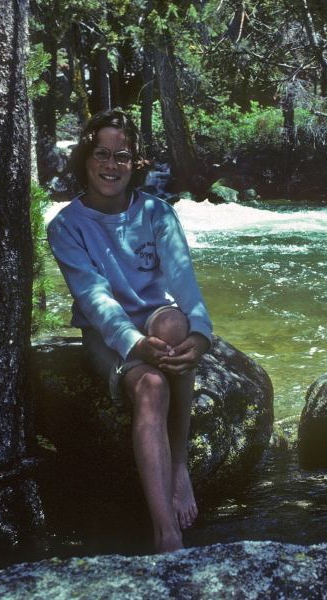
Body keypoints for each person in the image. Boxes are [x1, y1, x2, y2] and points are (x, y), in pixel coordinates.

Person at [47, 109, 212, 553]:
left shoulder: (157, 213)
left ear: (134, 164)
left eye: (122, 156)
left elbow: (183, 280)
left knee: (176, 321)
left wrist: (200, 335)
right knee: (153, 386)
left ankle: (179, 467)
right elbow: (95, 300)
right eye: (101, 153)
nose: (111, 165)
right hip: (105, 336)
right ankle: (166, 534)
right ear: (85, 158)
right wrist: (137, 346)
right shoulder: (65, 226)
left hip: (155, 320)